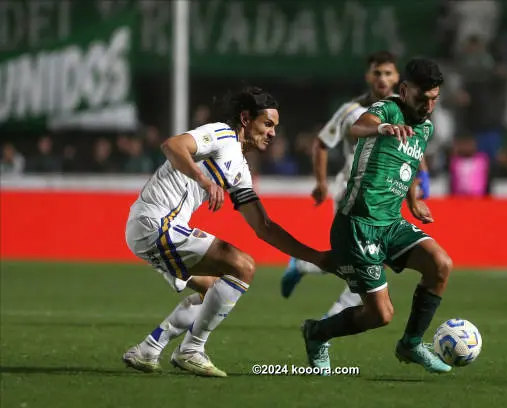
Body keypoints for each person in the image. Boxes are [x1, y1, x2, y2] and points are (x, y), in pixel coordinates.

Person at [122, 87, 329, 377]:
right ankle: (192, 350)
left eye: (275, 128)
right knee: (242, 266)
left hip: (154, 227)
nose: (272, 133)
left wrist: (314, 256)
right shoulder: (221, 134)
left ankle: (149, 349)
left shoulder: (241, 170)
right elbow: (172, 146)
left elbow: (264, 227)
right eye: (267, 124)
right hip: (155, 222)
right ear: (245, 118)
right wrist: (205, 181)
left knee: (214, 290)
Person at [301, 58, 454, 374]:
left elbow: (408, 164)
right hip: (358, 224)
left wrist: (413, 201)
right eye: (422, 98)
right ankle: (317, 333)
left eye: (434, 99)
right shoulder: (386, 109)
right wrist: (380, 128)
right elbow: (358, 126)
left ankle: (411, 344)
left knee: (441, 265)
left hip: (391, 222)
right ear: (404, 89)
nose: (428, 105)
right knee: (379, 315)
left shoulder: (425, 127)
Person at [281, 51, 431, 320]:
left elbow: (412, 145)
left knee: (361, 259)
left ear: (397, 77)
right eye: (377, 73)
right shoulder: (352, 111)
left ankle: (304, 266)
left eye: (388, 73)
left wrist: (422, 177)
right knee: (370, 261)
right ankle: (330, 320)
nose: (382, 79)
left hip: (385, 192)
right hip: (354, 189)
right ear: (368, 76)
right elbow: (321, 143)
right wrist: (320, 183)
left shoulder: (407, 109)